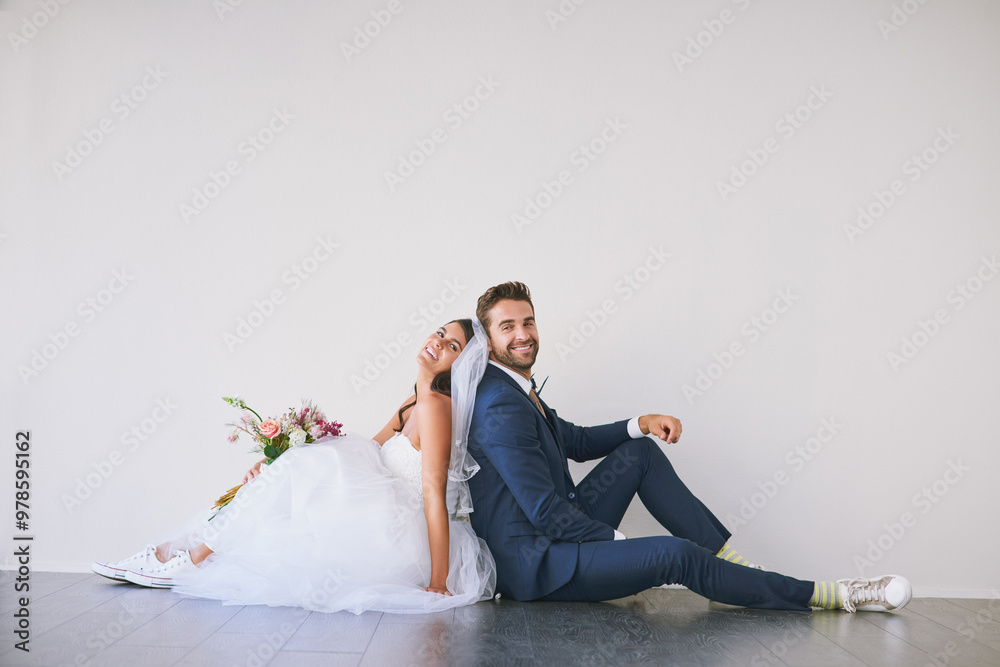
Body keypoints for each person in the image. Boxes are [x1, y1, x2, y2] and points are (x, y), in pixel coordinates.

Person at [466, 281, 911, 613]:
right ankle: (835, 595)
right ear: (489, 341)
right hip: (538, 565)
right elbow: (543, 511)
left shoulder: (516, 389)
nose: (523, 334)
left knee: (640, 453)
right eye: (508, 327)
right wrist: (615, 544)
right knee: (673, 555)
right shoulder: (501, 405)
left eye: (528, 322)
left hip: (558, 534)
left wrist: (639, 424)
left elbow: (576, 442)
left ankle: (730, 566)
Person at [92, 319, 496, 614]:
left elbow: (433, 493)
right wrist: (284, 458)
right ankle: (174, 552)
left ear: (460, 368)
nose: (438, 343)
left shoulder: (438, 409)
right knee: (290, 485)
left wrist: (439, 581)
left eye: (453, 347)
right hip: (375, 507)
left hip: (402, 530)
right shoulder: (412, 402)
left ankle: (190, 558)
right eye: (440, 333)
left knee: (303, 475)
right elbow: (367, 449)